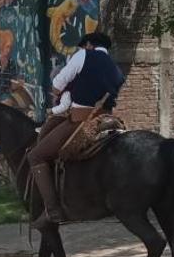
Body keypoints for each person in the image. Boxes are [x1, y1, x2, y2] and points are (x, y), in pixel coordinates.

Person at [28, 32, 125, 229]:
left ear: (89, 45)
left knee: (36, 156)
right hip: (107, 118)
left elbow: (57, 85)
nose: (82, 49)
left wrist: (60, 93)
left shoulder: (83, 55)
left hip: (82, 119)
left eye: (83, 46)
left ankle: (53, 211)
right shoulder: (116, 70)